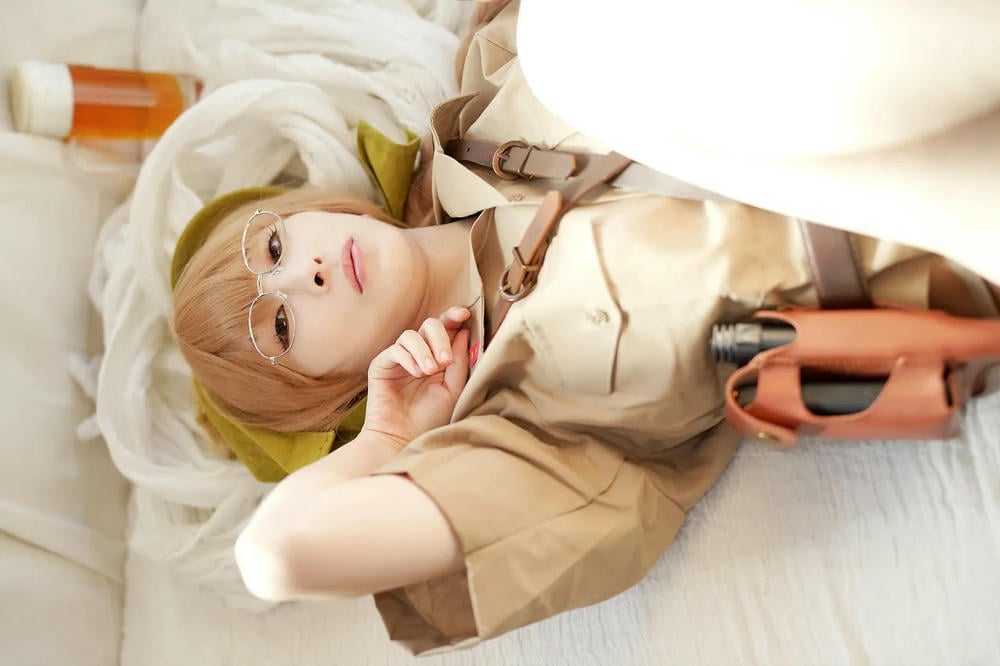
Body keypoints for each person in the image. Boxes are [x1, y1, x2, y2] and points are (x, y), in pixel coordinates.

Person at [170, 0, 998, 656]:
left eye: (273, 247)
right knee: (574, 56)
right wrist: (386, 439)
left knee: (568, 49)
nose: (305, 274)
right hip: (931, 216)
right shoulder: (517, 427)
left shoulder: (482, 102)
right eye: (283, 324)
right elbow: (277, 556)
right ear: (327, 392)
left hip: (862, 38)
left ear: (308, 209)